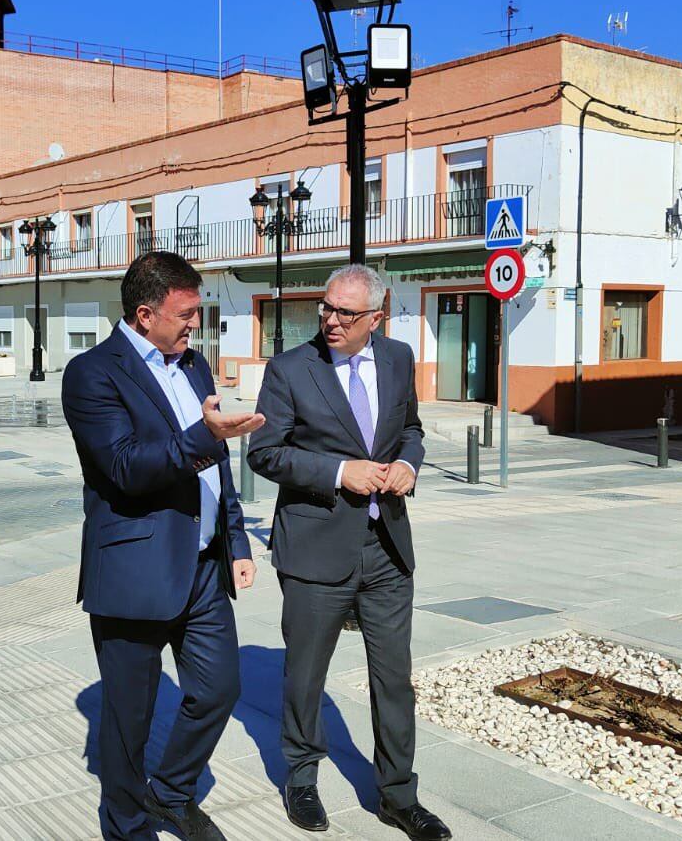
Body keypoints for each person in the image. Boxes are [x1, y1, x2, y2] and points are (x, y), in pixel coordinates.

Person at [61, 251, 265, 841]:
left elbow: (216, 468)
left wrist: (236, 539)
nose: (195, 324)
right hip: (134, 571)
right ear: (145, 314)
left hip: (203, 567)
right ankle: (126, 827)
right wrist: (206, 435)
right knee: (129, 721)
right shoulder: (93, 373)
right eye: (186, 314)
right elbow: (124, 467)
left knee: (220, 687)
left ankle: (172, 793)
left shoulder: (194, 364)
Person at [247, 265, 453, 841]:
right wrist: (341, 471)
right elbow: (264, 453)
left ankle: (398, 796)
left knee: (394, 679)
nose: (330, 320)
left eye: (346, 313)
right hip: (315, 547)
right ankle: (302, 778)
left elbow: (409, 427)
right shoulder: (290, 369)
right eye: (326, 308)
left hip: (385, 545)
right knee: (306, 676)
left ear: (376, 318)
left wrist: (409, 465)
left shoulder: (396, 358)